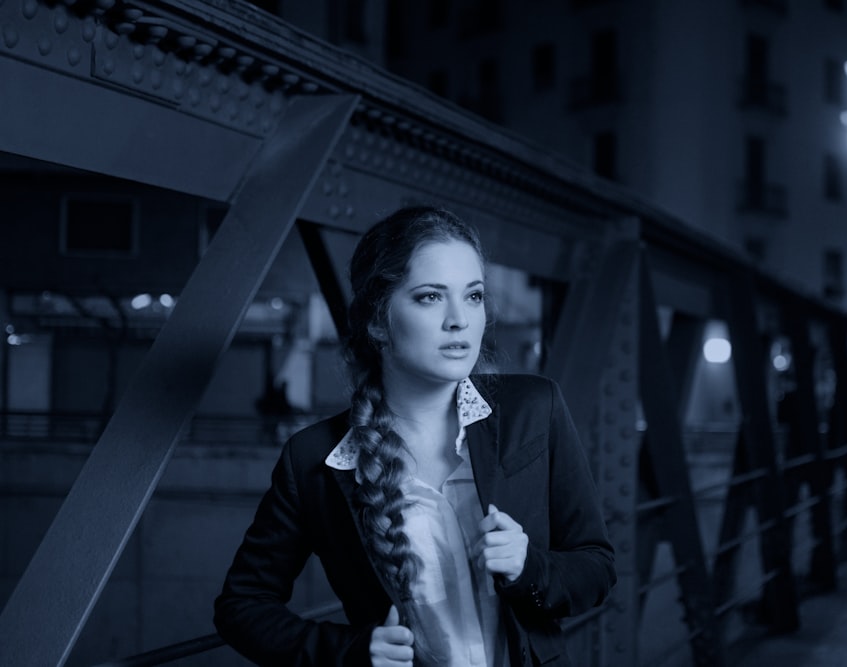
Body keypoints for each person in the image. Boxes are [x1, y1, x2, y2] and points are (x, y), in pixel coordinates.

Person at [214, 206, 616, 666]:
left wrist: (529, 567)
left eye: (474, 296)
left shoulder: (535, 408)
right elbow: (241, 607)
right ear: (377, 321)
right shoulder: (314, 460)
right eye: (430, 297)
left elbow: (597, 568)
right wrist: (349, 651)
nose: (459, 321)